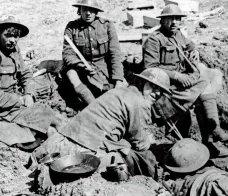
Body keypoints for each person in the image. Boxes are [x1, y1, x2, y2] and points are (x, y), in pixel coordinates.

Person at [31, 68, 171, 180]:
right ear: (142, 83)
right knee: (141, 157)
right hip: (84, 150)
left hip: (62, 139)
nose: (156, 93)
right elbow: (140, 144)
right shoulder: (141, 104)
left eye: (161, 91)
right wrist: (148, 140)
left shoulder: (120, 90)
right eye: (152, 87)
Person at [143, 4, 228, 157]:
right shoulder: (154, 40)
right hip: (166, 86)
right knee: (204, 84)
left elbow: (191, 45)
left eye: (177, 19)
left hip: (182, 82)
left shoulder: (178, 34)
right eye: (170, 19)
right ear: (162, 21)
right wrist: (176, 76)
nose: (174, 23)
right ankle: (212, 136)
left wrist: (195, 52)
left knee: (203, 90)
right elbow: (149, 68)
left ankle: (210, 140)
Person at [0, 16, 62, 149]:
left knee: (57, 120)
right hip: (4, 111)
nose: (13, 40)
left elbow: (26, 74)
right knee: (49, 129)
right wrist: (21, 100)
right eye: (8, 35)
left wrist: (29, 93)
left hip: (16, 105)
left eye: (16, 36)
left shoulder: (14, 50)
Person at [62, 0, 124, 106]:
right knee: (71, 75)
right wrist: (80, 65)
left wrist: (118, 80)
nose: (88, 13)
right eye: (85, 10)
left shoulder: (107, 26)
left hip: (103, 66)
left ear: (96, 12)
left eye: (91, 10)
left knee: (116, 91)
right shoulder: (72, 27)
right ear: (79, 11)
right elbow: (67, 53)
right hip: (80, 67)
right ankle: (93, 106)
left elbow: (115, 53)